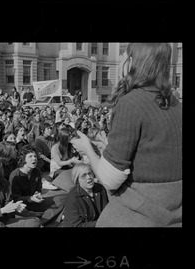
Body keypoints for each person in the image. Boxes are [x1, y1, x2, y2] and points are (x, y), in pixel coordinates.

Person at [71, 43, 182, 227]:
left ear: (131, 62)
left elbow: (109, 180)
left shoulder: (131, 103)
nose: (121, 58)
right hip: (173, 208)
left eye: (124, 54)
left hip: (142, 211)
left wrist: (88, 149)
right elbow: (151, 157)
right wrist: (108, 149)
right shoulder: (176, 104)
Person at [0, 154, 41, 227]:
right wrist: (3, 210)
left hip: (6, 221)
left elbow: (8, 202)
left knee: (35, 221)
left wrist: (15, 207)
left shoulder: (4, 182)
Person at [62, 163, 109, 227]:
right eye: (84, 175)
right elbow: (76, 225)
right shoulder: (72, 198)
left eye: (90, 173)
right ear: (77, 180)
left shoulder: (100, 189)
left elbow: (108, 211)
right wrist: (101, 223)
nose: (89, 177)